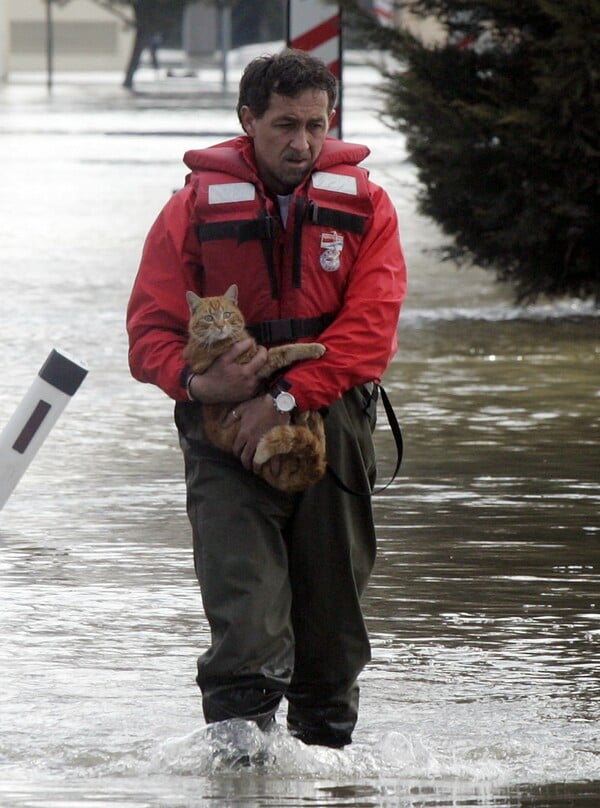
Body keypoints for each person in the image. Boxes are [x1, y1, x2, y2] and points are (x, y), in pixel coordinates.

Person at [126, 49, 407, 749]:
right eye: (284, 124)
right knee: (245, 626)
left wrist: (281, 400)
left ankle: (328, 775)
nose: (302, 143)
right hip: (221, 431)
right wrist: (198, 384)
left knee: (332, 638)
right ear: (247, 120)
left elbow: (369, 335)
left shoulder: (368, 204)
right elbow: (148, 334)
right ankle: (240, 783)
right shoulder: (189, 210)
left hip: (332, 419)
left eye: (316, 125)